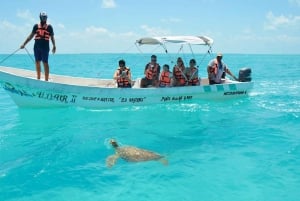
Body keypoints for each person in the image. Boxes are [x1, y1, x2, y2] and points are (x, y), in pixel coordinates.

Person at [20, 12, 56, 81]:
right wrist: (24, 44)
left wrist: (54, 46)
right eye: (43, 17)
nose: (44, 19)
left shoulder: (49, 27)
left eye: (45, 17)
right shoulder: (36, 26)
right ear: (40, 17)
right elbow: (30, 36)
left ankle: (46, 80)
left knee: (45, 62)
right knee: (37, 62)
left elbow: (52, 37)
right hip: (36, 47)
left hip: (45, 48)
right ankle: (38, 79)